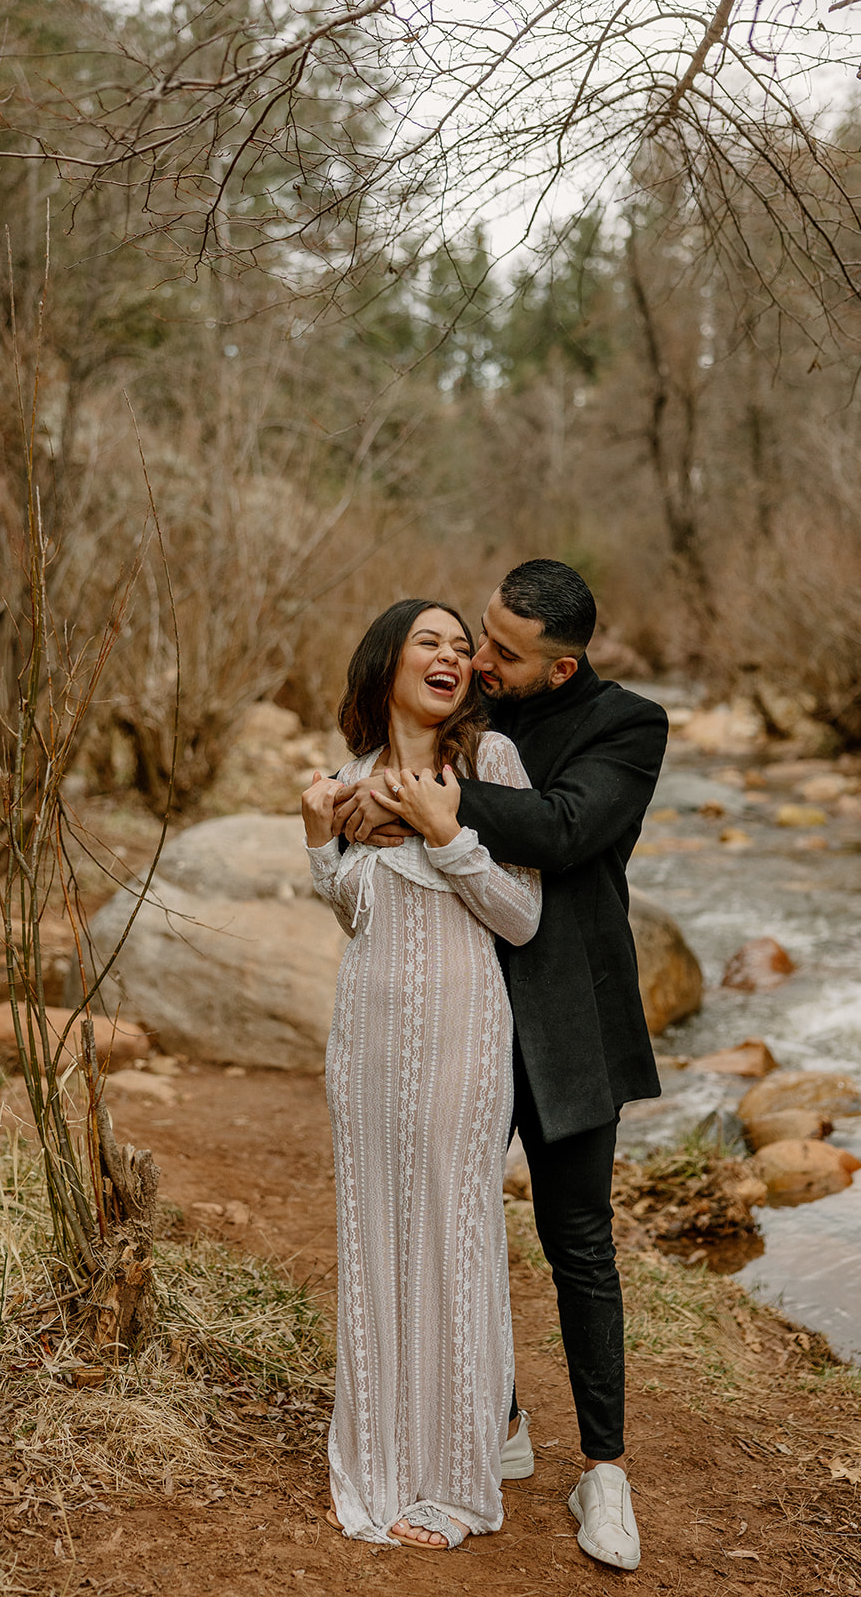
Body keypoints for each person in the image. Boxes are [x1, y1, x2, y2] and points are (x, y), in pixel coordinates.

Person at [332, 560, 668, 1573]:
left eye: (502, 652)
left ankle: (602, 1471)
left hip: (563, 1017)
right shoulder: (469, 697)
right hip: (453, 1012)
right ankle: (498, 1416)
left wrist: (420, 805)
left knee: (575, 1238)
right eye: (476, 635)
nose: (477, 659)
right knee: (448, 1216)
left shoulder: (627, 726)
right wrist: (373, 801)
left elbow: (565, 833)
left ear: (559, 666)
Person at [302, 598, 542, 1551]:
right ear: (386, 665)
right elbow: (354, 911)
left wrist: (446, 832)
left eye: (459, 646)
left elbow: (520, 917)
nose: (449, 657)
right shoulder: (350, 777)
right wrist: (319, 837)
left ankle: (451, 1475)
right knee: (374, 1235)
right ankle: (379, 1462)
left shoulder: (488, 765)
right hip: (364, 1032)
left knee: (452, 1233)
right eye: (427, 643)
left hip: (461, 1028)